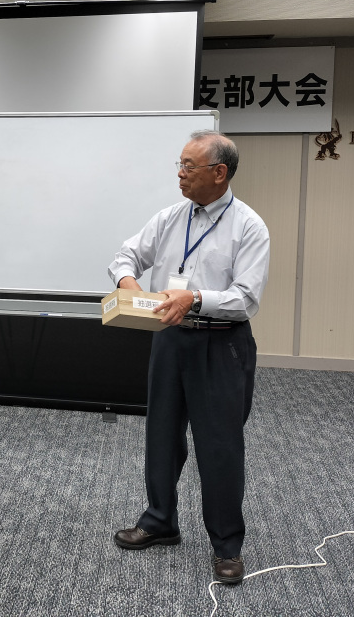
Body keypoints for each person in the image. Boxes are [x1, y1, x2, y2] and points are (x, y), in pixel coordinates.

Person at [107, 129, 270, 585]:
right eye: (179, 164)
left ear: (219, 173)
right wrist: (128, 283)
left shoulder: (249, 226)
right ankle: (160, 521)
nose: (180, 173)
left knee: (219, 446)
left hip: (220, 342)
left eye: (189, 166)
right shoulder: (170, 217)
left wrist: (195, 298)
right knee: (161, 434)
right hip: (169, 339)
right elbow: (125, 255)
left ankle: (227, 545)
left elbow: (245, 298)